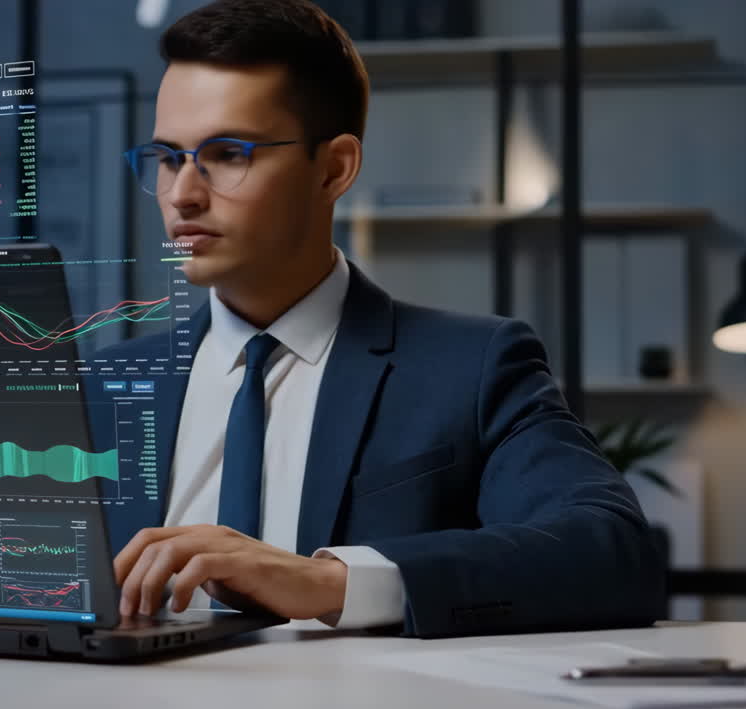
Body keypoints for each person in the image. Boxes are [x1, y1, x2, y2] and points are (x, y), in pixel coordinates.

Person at [103, 0, 665, 638]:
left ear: (335, 168)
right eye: (169, 157)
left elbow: (612, 553)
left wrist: (330, 582)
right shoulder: (101, 384)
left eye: (228, 154)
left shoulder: (472, 368)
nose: (182, 194)